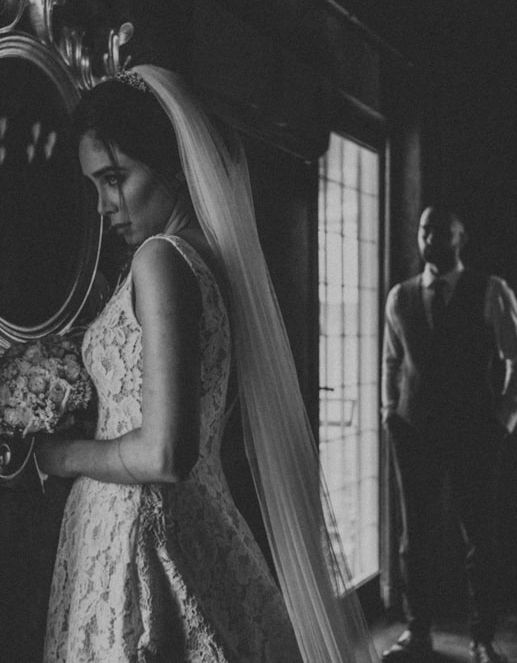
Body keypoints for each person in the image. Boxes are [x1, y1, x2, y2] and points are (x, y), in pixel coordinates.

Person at [34, 66, 378, 661]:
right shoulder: (210, 259)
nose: (102, 206)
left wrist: (61, 454)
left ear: (170, 163)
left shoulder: (160, 260)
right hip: (197, 521)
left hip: (145, 538)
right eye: (94, 184)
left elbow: (166, 453)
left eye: (115, 178)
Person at [380, 206, 517, 663]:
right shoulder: (400, 297)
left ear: (460, 238)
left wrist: (503, 419)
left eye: (442, 232)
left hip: (473, 432)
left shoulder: (490, 290)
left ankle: (483, 638)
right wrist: (390, 411)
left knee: (479, 537)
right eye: (425, 230)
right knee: (415, 536)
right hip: (414, 430)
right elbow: (391, 360)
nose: (431, 239)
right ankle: (418, 629)